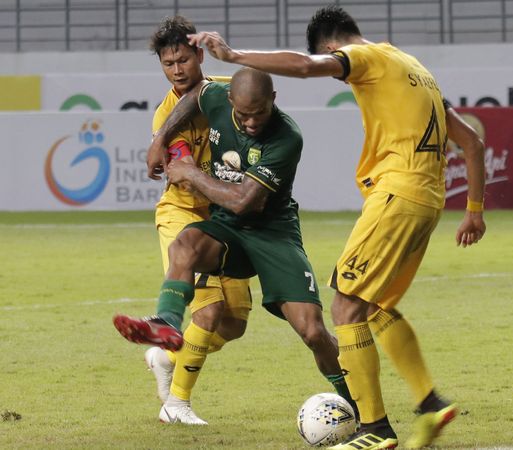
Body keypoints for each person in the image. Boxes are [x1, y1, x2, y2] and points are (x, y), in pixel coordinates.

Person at [188, 5, 487, 449]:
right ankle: (429, 403)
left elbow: (307, 67)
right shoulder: (415, 69)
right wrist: (475, 208)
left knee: (346, 306)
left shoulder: (364, 56)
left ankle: (375, 430)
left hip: (397, 194)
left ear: (332, 44)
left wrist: (233, 57)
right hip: (428, 199)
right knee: (376, 307)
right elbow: (473, 141)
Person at [112, 67, 356, 423]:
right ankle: (167, 323)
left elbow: (245, 201)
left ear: (273, 101)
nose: (252, 122)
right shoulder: (214, 97)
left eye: (259, 113)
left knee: (313, 331)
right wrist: (161, 137)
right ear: (229, 103)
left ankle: (359, 402)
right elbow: (194, 96)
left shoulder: (287, 136)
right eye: (243, 115)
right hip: (227, 228)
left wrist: (191, 173)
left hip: (273, 233)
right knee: (186, 244)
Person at [136, 15, 252, 426]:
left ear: (199, 55)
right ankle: (176, 404)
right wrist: (239, 197)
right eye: (169, 64)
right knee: (209, 307)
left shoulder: (227, 93)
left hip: (223, 215)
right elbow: (184, 171)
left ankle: (167, 357)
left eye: (184, 60)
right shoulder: (165, 118)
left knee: (234, 323)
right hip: (184, 213)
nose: (178, 70)